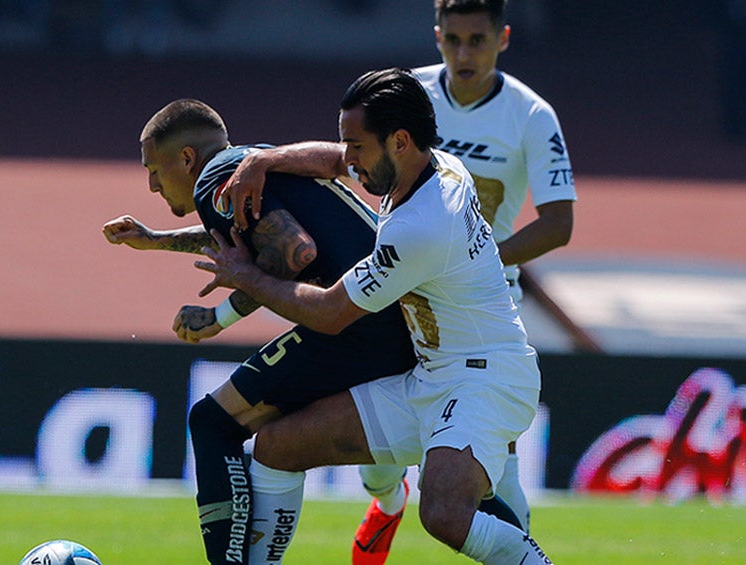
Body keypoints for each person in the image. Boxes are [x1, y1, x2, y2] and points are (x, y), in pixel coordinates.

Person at [224, 1, 576, 560]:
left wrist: (245, 276)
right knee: (277, 446)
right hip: (430, 377)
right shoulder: (438, 163)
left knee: (441, 513)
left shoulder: (420, 227)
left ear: (400, 143)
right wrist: (266, 159)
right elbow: (335, 164)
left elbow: (329, 313)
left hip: (485, 381)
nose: (348, 158)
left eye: (357, 146)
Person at [101, 98, 420, 564]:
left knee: (212, 422)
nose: (151, 185)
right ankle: (384, 500)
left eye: (154, 169)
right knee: (276, 444)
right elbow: (248, 236)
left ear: (187, 159)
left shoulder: (214, 181)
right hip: (392, 319)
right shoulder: (249, 161)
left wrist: (219, 317)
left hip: (361, 324)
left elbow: (295, 253)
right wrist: (157, 241)